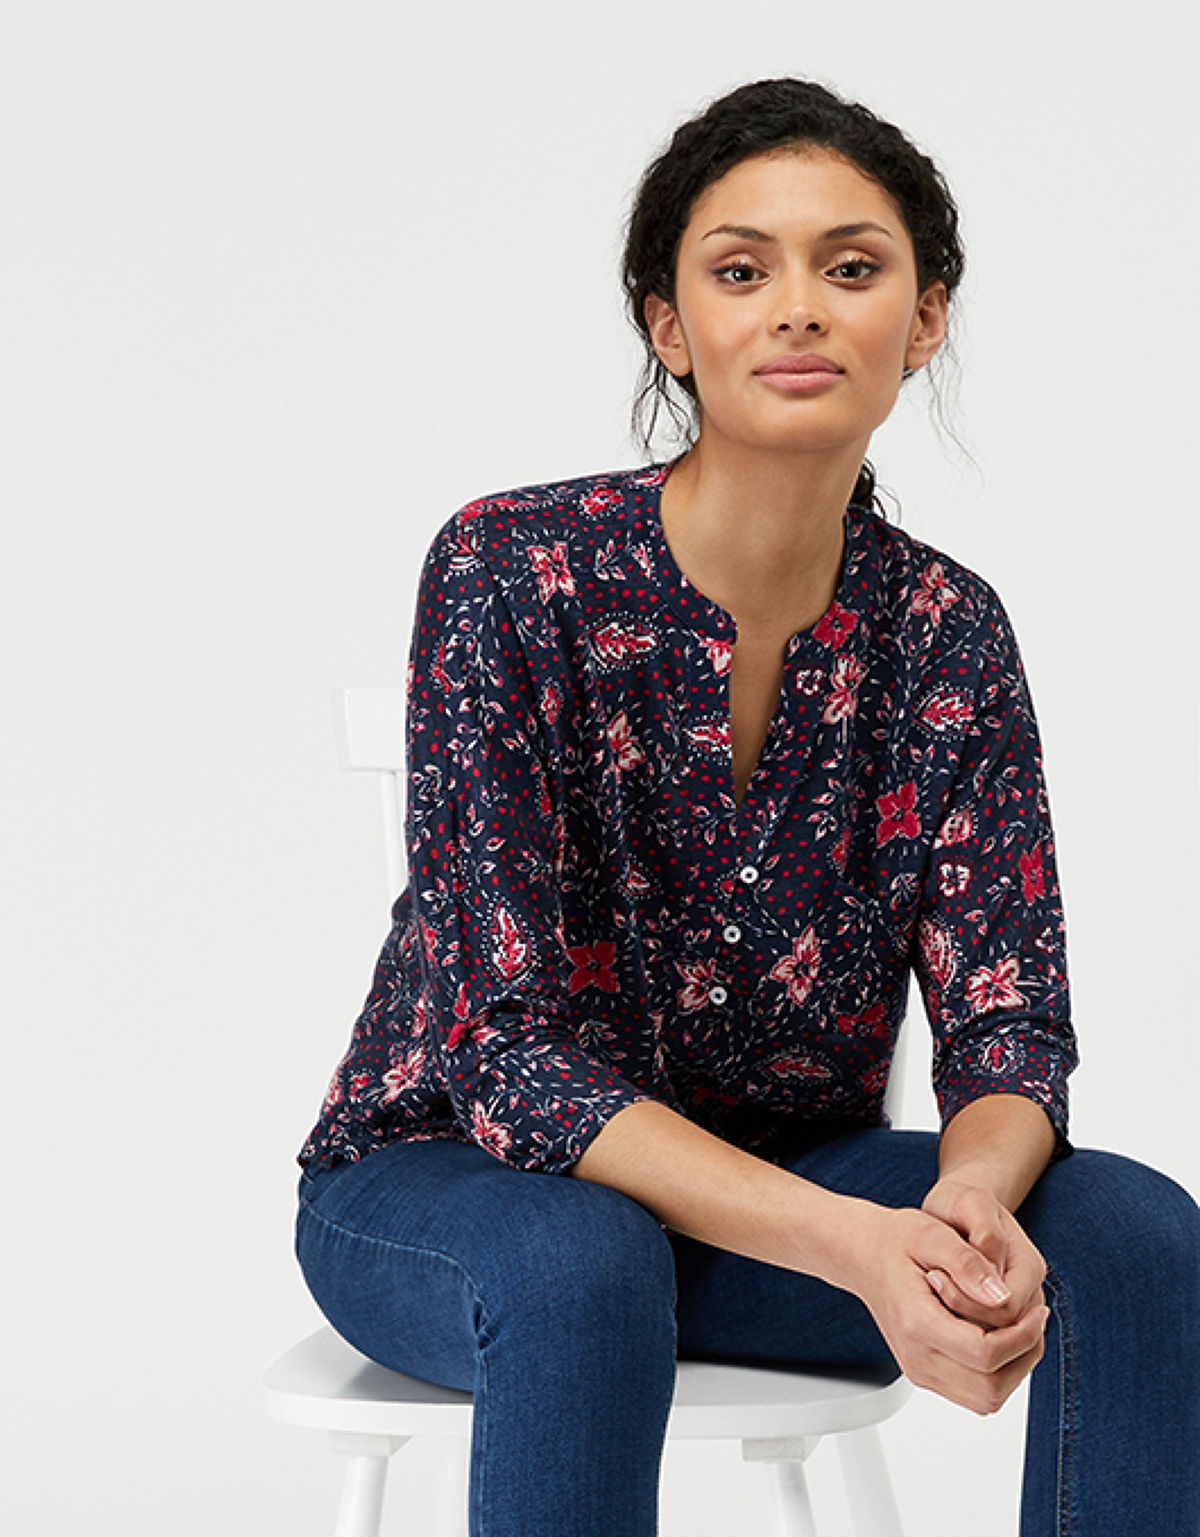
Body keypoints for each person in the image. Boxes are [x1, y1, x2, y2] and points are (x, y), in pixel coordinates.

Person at [295, 78, 1200, 1536]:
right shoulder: (509, 571)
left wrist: (968, 1199)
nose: (798, 309)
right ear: (669, 325)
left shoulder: (948, 632)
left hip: (787, 1195)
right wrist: (856, 1245)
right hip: (455, 1184)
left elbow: (1011, 1022)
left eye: (852, 267)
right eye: (739, 270)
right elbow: (510, 1055)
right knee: (584, 1261)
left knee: (1136, 1234)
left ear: (924, 320)